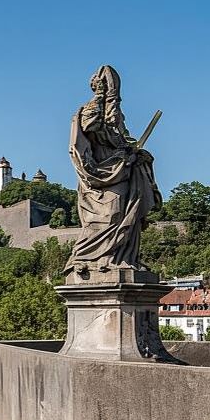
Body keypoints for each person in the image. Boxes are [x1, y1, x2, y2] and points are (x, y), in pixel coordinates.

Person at [64, 65, 162, 277]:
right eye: (108, 91)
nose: (113, 100)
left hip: (123, 174)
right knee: (110, 215)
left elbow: (125, 141)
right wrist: (100, 99)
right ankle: (85, 258)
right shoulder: (88, 111)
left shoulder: (117, 120)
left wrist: (136, 154)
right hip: (101, 176)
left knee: (129, 217)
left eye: (114, 94)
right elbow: (90, 128)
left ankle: (122, 259)